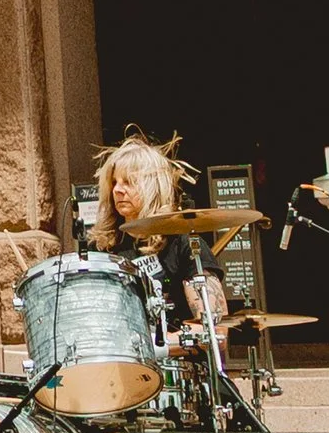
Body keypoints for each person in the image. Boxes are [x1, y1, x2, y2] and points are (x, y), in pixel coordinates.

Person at [94, 133, 228, 331]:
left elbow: (217, 332)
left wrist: (159, 347)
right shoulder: (103, 246)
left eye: (128, 182)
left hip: (177, 357)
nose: (117, 190)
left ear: (152, 187)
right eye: (114, 182)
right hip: (123, 358)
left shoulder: (183, 243)